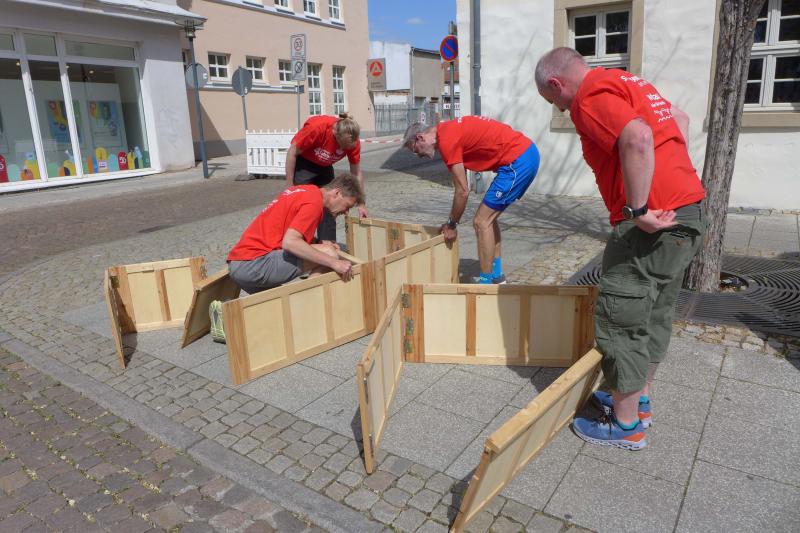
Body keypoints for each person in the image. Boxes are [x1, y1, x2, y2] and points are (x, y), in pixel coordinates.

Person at [535, 47, 706, 450]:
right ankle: (639, 399)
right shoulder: (628, 82)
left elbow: (638, 136)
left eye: (553, 100)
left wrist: (639, 209)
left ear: (557, 83)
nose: (560, 109)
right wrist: (672, 181)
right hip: (687, 211)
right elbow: (679, 119)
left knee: (620, 317)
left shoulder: (588, 96)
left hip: (650, 224)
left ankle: (626, 425)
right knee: (655, 310)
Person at [403, 116, 540, 284]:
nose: (419, 155)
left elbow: (462, 191)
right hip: (524, 155)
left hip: (518, 161)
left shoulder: (446, 140)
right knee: (489, 218)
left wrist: (451, 225)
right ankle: (496, 275)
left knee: (481, 222)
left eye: (415, 150)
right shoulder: (447, 130)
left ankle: (485, 284)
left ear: (420, 137)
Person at [227, 173, 365, 294]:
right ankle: (306, 302)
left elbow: (287, 233)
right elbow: (290, 242)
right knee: (329, 253)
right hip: (253, 264)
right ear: (337, 193)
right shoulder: (314, 203)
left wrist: (317, 243)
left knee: (279, 306)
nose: (346, 212)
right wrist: (334, 263)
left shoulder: (305, 191)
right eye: (347, 206)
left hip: (240, 263)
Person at [285, 112, 368, 243]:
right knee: (303, 204)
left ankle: (328, 242)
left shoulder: (352, 140)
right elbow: (292, 152)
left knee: (330, 202)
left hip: (325, 166)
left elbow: (356, 172)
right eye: (341, 146)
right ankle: (299, 241)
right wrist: (290, 187)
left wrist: (361, 203)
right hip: (304, 164)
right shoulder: (317, 128)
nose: (342, 150)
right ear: (335, 134)